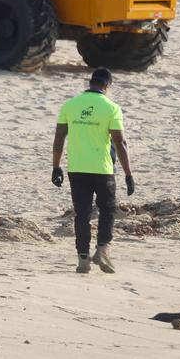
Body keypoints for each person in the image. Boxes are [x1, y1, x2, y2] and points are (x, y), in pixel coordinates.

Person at [51, 68, 136, 274]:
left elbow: (59, 138)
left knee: (82, 213)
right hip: (102, 168)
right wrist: (128, 174)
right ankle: (103, 249)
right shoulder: (111, 108)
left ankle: (82, 259)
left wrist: (56, 167)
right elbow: (120, 142)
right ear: (107, 85)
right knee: (107, 209)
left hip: (77, 169)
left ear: (90, 83)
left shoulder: (70, 105)